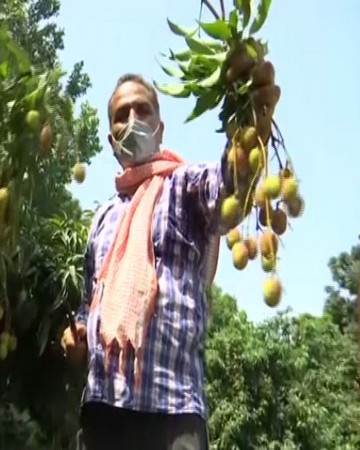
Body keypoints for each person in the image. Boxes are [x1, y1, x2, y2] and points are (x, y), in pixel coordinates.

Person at [61, 59, 280, 450]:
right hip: (103, 410)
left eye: (142, 110)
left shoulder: (183, 185)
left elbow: (230, 187)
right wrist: (77, 334)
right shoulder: (102, 218)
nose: (132, 119)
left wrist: (249, 118)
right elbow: (88, 303)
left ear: (160, 128)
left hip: (173, 409)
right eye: (120, 115)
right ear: (111, 141)